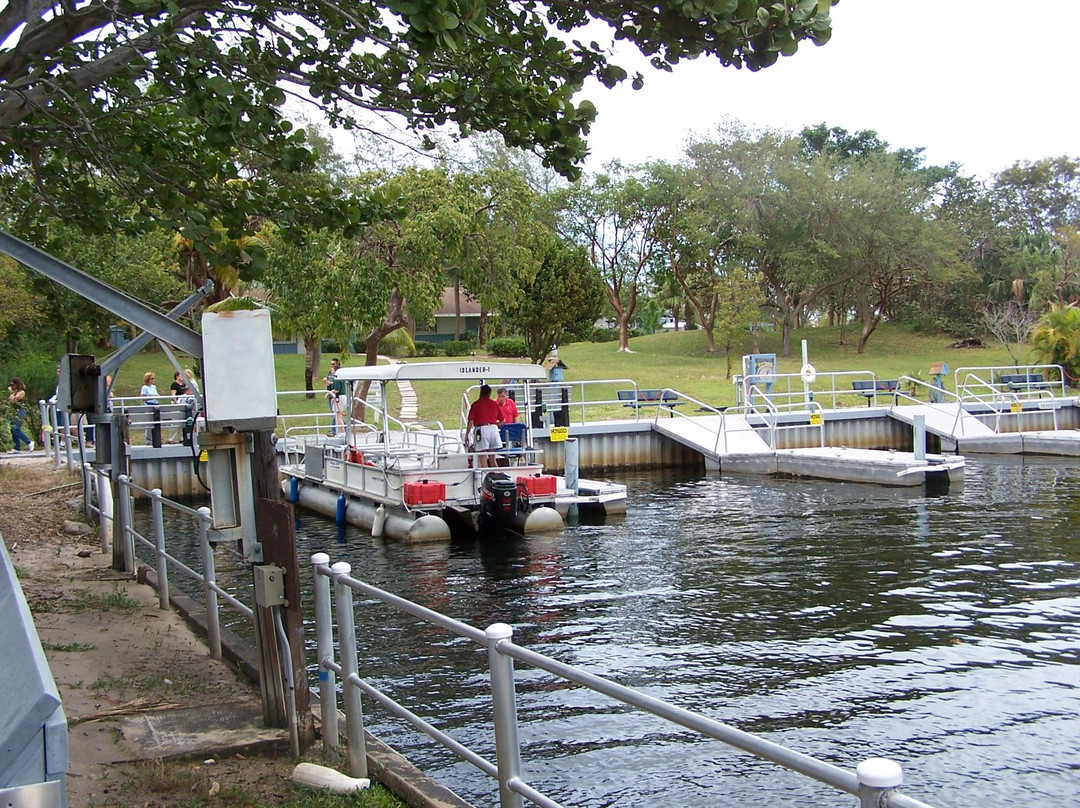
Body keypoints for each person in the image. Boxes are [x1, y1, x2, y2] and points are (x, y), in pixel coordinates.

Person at [466, 384, 503, 468]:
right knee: (492, 459)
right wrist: (496, 425)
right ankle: (496, 475)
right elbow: (502, 420)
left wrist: (467, 435)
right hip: (494, 429)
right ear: (489, 393)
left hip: (482, 429)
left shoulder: (476, 404)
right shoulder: (494, 404)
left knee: (483, 457)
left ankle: (485, 477)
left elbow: (470, 421)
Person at [7, 378, 33, 452]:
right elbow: (10, 401)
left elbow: (14, 400)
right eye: (11, 385)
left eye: (13, 385)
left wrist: (11, 392)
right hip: (14, 412)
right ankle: (17, 447)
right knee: (12, 429)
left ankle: (29, 442)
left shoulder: (21, 392)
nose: (12, 387)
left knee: (16, 429)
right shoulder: (14, 392)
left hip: (20, 411)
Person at [325, 358, 347, 436]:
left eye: (333, 367)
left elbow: (337, 389)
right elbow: (331, 385)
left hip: (339, 398)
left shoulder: (338, 378)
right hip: (335, 398)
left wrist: (328, 393)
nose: (331, 372)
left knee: (338, 416)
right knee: (337, 416)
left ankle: (341, 432)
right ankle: (342, 430)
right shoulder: (334, 378)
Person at [140, 371, 160, 445]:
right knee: (149, 424)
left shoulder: (154, 387)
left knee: (156, 423)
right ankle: (148, 440)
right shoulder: (144, 388)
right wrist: (152, 397)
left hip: (156, 405)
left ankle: (156, 439)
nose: (153, 380)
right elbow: (143, 398)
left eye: (153, 378)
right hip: (149, 405)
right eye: (151, 378)